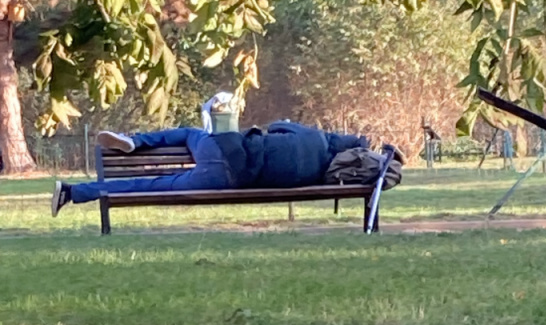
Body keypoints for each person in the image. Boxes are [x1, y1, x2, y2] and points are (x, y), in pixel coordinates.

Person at [51, 122, 368, 216]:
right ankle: (73, 192)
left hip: (222, 148)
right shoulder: (321, 174)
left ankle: (135, 141)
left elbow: (275, 125)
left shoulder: (312, 135)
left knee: (189, 133)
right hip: (225, 179)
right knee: (150, 185)